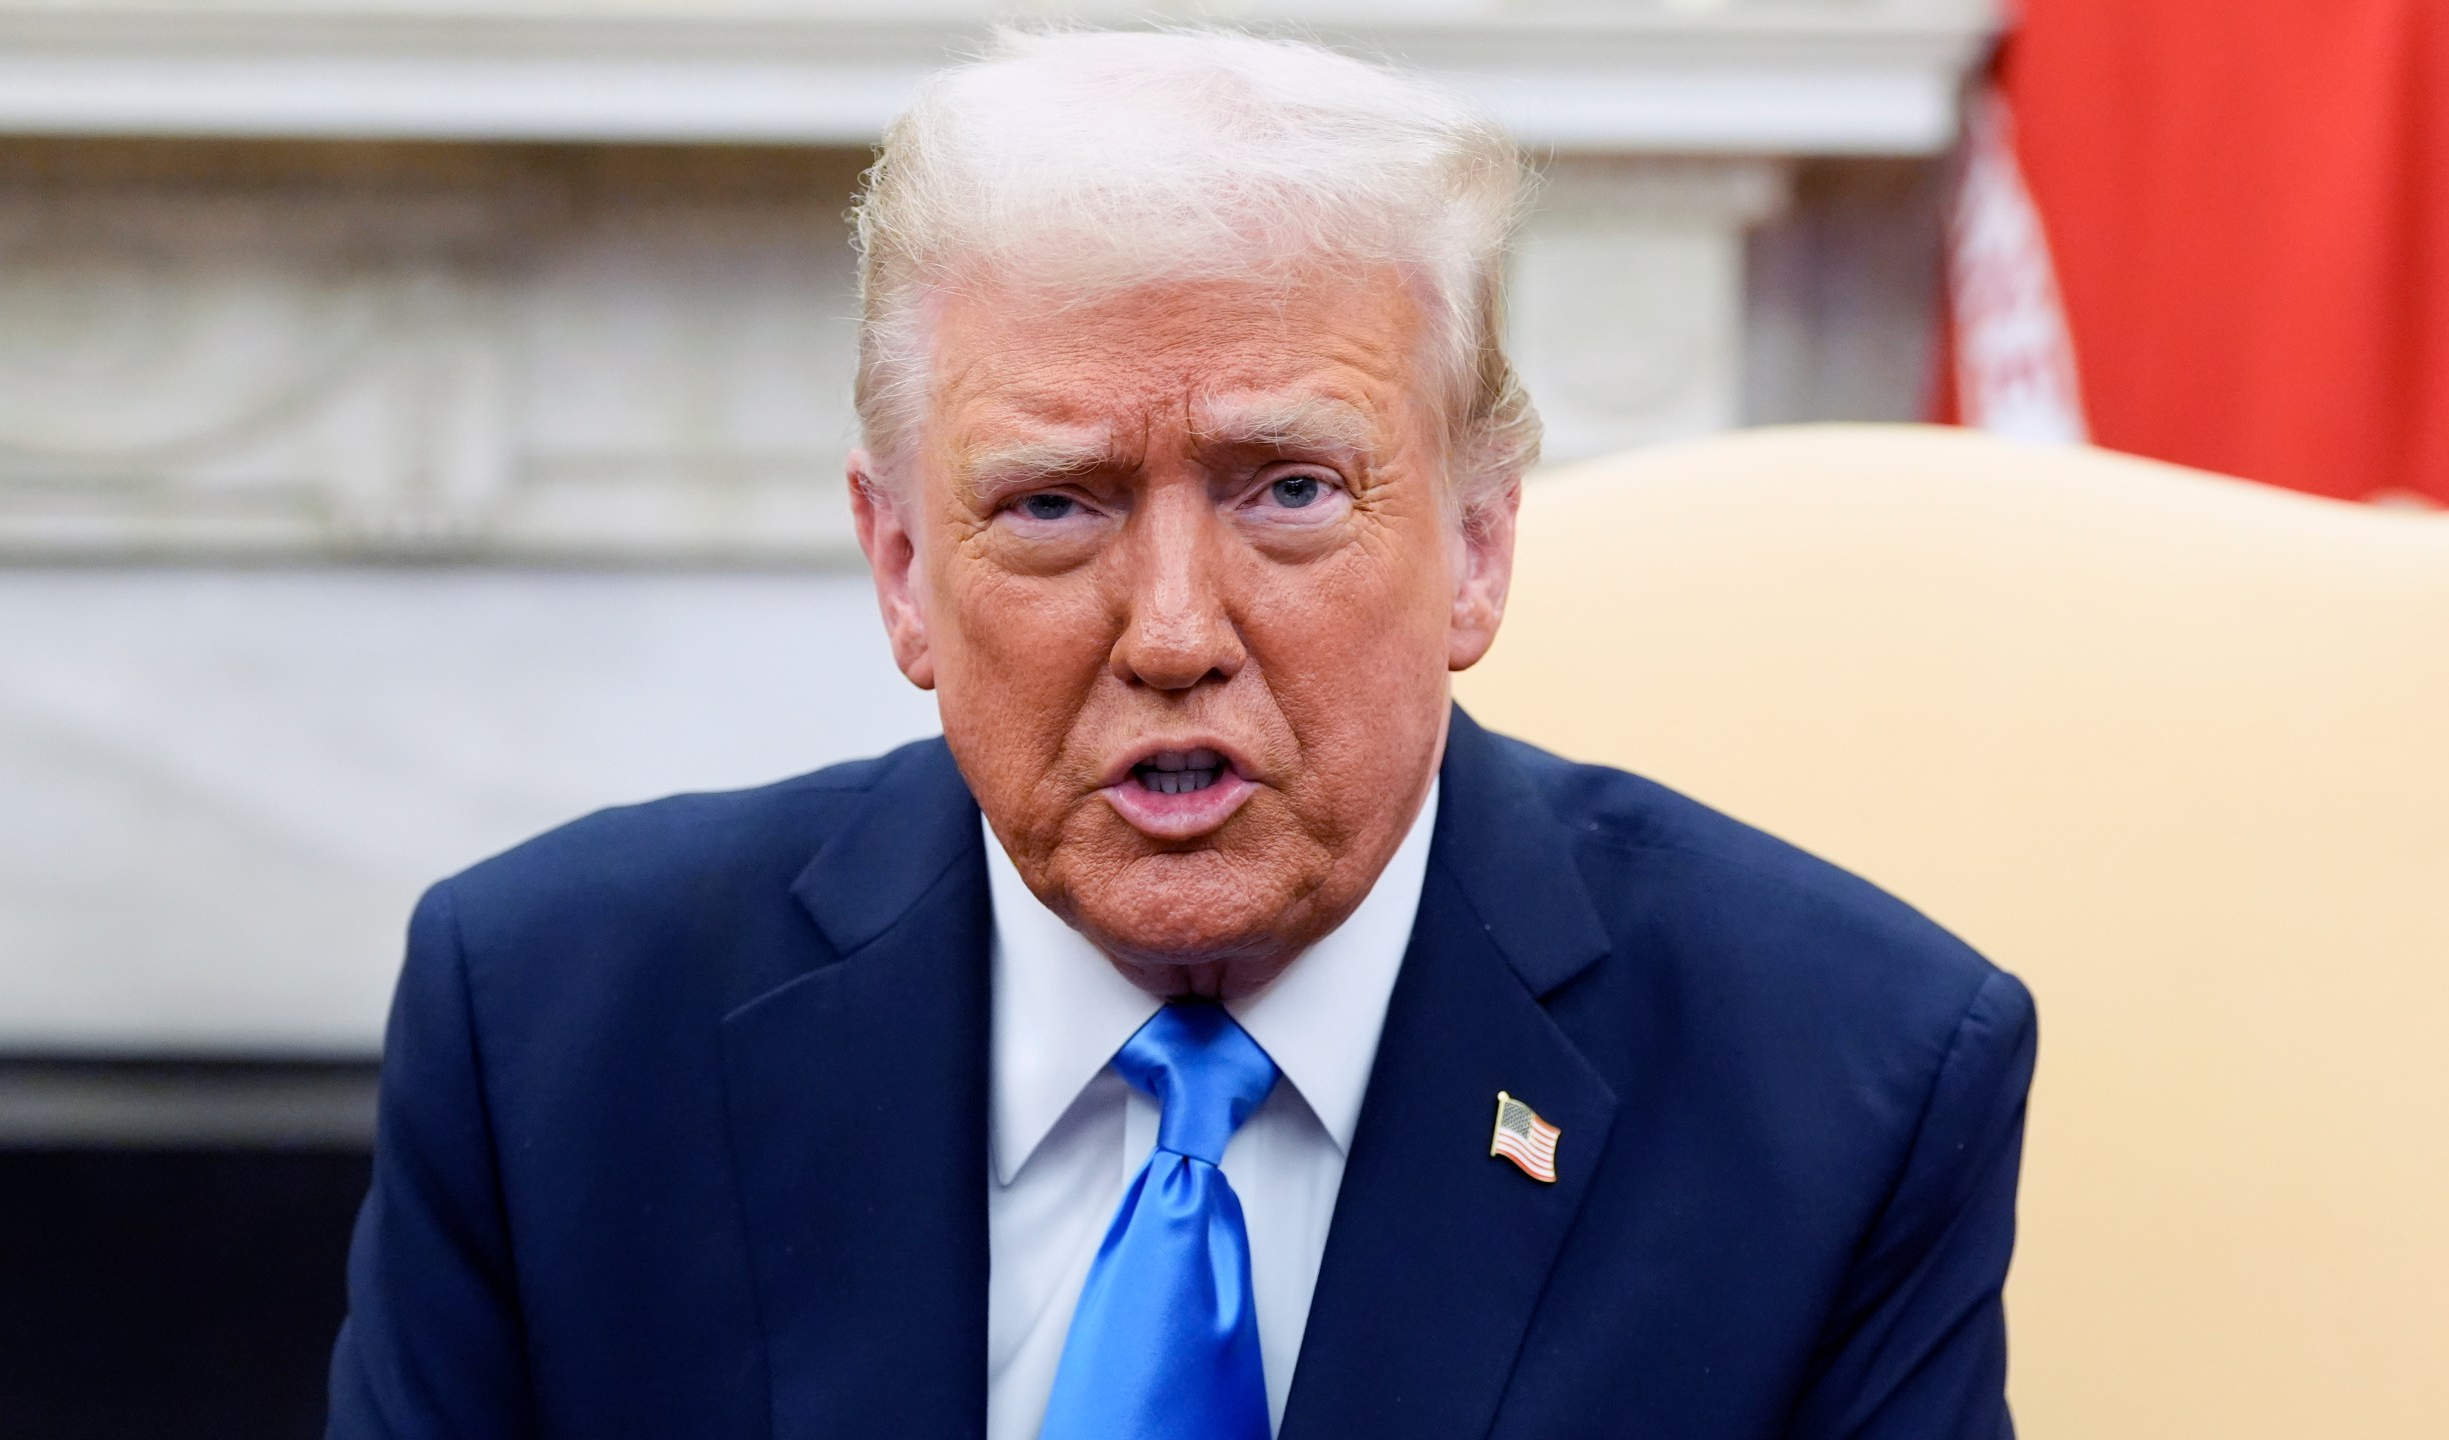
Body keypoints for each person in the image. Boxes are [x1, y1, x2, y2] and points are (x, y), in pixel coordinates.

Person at [326, 28, 2036, 1440]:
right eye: (1055, 505)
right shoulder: (553, 1031)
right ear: (903, 567)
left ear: (1479, 542)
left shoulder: (1843, 1086)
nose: (1170, 632)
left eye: (1287, 491)